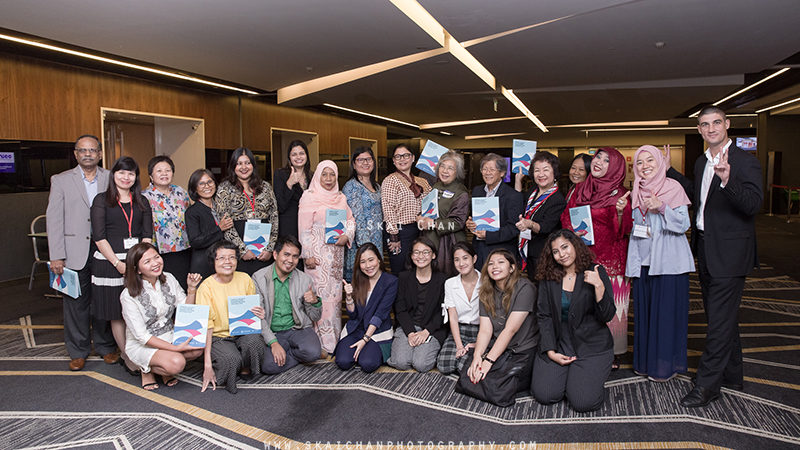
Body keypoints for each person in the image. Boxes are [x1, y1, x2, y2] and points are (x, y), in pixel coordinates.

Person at [667, 106, 762, 408]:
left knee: (719, 322)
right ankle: (733, 374)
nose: (711, 129)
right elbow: (698, 195)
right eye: (705, 125)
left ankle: (708, 386)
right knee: (721, 318)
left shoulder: (745, 162)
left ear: (727, 125)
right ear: (699, 130)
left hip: (731, 253)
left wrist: (727, 180)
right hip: (706, 248)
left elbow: (752, 205)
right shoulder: (700, 161)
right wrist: (670, 172)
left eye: (716, 123)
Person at [46, 134, 116, 371]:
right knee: (75, 302)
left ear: (100, 154)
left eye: (92, 150)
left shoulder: (111, 178)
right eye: (82, 150)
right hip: (73, 252)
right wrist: (56, 254)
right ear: (76, 154)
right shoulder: (61, 180)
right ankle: (78, 351)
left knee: (104, 299)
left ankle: (106, 347)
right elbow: (54, 219)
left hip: (104, 250)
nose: (88, 154)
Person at [626, 145, 695, 382]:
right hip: (644, 263)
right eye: (640, 162)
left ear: (659, 162)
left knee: (664, 318)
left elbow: (684, 224)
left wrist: (662, 207)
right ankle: (645, 363)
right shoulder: (636, 188)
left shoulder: (673, 187)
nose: (645, 167)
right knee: (645, 316)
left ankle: (664, 366)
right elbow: (637, 227)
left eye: (650, 161)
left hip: (668, 263)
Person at [560, 147, 633, 369]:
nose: (599, 162)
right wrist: (573, 231)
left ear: (617, 167)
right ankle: (584, 347)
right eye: (598, 157)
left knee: (612, 307)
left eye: (606, 160)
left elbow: (623, 231)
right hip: (583, 256)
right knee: (583, 305)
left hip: (610, 258)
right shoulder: (581, 189)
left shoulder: (620, 194)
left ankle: (612, 353)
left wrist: (620, 212)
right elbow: (567, 216)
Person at [532, 229, 615, 412]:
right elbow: (544, 315)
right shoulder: (548, 277)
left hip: (591, 344)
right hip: (560, 341)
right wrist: (550, 350)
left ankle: (585, 377)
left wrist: (599, 286)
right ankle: (572, 376)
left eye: (565, 247)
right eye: (555, 251)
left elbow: (607, 315)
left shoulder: (596, 271)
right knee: (545, 395)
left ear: (574, 245)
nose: (562, 255)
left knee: (583, 403)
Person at [91, 156, 153, 375]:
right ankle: (127, 357)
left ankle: (140, 352)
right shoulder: (101, 200)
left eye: (131, 173)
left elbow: (147, 235)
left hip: (137, 263)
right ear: (113, 175)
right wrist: (118, 263)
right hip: (110, 263)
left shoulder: (142, 201)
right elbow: (99, 237)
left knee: (137, 311)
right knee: (117, 313)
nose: (126, 177)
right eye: (122, 173)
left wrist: (141, 262)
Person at [120, 242, 204, 390]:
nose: (155, 263)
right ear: (137, 270)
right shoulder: (128, 295)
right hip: (143, 344)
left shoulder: (169, 278)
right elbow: (142, 337)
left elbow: (186, 310)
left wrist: (191, 289)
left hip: (168, 335)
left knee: (198, 348)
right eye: (147, 262)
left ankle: (163, 363)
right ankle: (146, 369)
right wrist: (175, 349)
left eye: (156, 257)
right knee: (177, 363)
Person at [297, 160, 355, 354]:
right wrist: (307, 255)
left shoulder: (340, 198)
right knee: (319, 298)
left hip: (336, 258)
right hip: (317, 259)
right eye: (325, 174)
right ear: (318, 176)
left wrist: (347, 235)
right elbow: (304, 229)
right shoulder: (309, 196)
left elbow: (350, 221)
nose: (329, 179)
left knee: (335, 300)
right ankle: (319, 344)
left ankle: (334, 341)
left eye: (332, 175)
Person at [195, 240, 266, 394]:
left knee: (256, 343)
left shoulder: (245, 279)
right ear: (213, 261)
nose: (227, 262)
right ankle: (228, 363)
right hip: (218, 336)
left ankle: (245, 367)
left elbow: (251, 311)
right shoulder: (205, 288)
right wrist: (207, 364)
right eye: (221, 258)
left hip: (242, 331)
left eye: (232, 257)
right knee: (231, 360)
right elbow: (207, 326)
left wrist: (259, 314)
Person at [467, 248, 538, 392]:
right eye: (491, 263)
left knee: (499, 385)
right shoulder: (486, 291)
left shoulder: (525, 288)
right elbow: (485, 330)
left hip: (522, 348)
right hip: (499, 346)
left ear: (512, 268)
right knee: (472, 373)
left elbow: (510, 330)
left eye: (500, 262)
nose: (495, 267)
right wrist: (477, 357)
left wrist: (488, 361)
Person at [253, 236, 322, 374]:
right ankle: (297, 355)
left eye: (295, 256)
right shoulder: (258, 278)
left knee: (313, 352)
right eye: (286, 254)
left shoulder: (304, 279)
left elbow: (315, 316)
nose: (290, 260)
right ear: (275, 254)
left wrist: (315, 302)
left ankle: (291, 354)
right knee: (267, 366)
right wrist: (273, 343)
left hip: (297, 329)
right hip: (273, 331)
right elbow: (257, 317)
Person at [216, 147, 279, 275]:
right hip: (239, 248)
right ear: (233, 166)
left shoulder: (265, 187)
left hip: (264, 248)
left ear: (253, 165)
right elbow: (225, 223)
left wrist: (270, 248)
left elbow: (274, 217)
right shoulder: (224, 188)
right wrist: (242, 250)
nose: (243, 167)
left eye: (247, 163)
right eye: (239, 163)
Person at [387, 237, 447, 372]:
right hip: (408, 326)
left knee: (421, 364)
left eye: (426, 252)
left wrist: (426, 332)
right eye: (416, 252)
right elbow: (400, 309)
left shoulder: (443, 279)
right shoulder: (404, 277)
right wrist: (410, 333)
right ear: (411, 256)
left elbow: (443, 312)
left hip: (432, 329)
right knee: (400, 362)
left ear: (433, 255)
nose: (421, 256)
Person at [336, 243, 398, 373]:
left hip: (377, 331)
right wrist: (348, 297)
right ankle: (360, 351)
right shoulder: (358, 280)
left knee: (368, 364)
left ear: (379, 259)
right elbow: (352, 315)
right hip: (357, 328)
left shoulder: (390, 281)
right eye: (363, 262)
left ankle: (366, 351)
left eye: (371, 260)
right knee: (343, 362)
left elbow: (380, 314)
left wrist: (365, 340)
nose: (368, 266)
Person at [515, 151, 567, 281]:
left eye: (546, 170)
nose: (541, 174)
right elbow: (519, 203)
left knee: (543, 288)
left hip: (544, 253)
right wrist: (517, 181)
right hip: (530, 247)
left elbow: (545, 227)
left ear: (554, 172)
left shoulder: (557, 199)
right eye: (537, 170)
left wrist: (529, 224)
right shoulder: (534, 191)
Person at [416, 150, 470, 277]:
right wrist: (420, 216)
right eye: (442, 166)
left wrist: (433, 223)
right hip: (430, 238)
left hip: (448, 243)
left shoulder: (461, 192)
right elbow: (429, 208)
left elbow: (457, 223)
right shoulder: (436, 186)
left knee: (445, 279)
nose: (445, 171)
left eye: (450, 168)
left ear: (458, 172)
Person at [466, 153, 524, 271]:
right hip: (479, 249)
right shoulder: (477, 191)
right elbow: (473, 217)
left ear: (502, 173)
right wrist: (470, 224)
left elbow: (513, 229)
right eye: (485, 169)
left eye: (492, 169)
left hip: (502, 252)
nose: (488, 172)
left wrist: (488, 235)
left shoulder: (513, 196)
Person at [142, 156, 192, 290]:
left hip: (183, 251)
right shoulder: (144, 197)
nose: (164, 173)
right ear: (151, 176)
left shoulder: (181, 193)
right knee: (164, 289)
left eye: (167, 170)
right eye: (159, 171)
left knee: (182, 288)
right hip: (159, 254)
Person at [382, 144, 432, 275]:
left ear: (413, 158)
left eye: (406, 155)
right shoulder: (390, 180)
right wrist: (394, 236)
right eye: (397, 156)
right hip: (400, 232)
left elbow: (431, 204)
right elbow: (388, 209)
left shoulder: (423, 182)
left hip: (419, 231)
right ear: (393, 160)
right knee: (400, 270)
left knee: (416, 270)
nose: (402, 159)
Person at [436, 242, 481, 375]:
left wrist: (478, 343)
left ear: (474, 259)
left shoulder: (485, 281)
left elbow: (489, 318)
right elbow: (453, 317)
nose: (461, 263)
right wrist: (459, 346)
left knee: (463, 367)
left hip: (480, 330)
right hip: (458, 330)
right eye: (457, 259)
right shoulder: (450, 283)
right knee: (444, 366)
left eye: (465, 258)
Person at [342, 146, 383, 282]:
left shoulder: (377, 186)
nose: (365, 163)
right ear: (354, 164)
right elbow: (357, 218)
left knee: (375, 286)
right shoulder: (352, 186)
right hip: (361, 246)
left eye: (368, 159)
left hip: (377, 242)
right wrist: (367, 250)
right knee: (361, 288)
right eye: (360, 160)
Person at [185, 169, 233, 278]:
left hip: (225, 262)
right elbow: (195, 241)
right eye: (201, 184)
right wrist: (219, 229)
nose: (207, 186)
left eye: (210, 182)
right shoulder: (192, 212)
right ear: (195, 188)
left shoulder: (222, 206)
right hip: (204, 264)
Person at [272, 140, 313, 239]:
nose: (298, 157)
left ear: (306, 156)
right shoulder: (280, 174)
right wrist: (289, 184)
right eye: (294, 154)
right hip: (289, 228)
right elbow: (280, 206)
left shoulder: (312, 176)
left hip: (309, 228)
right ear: (289, 158)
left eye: (301, 153)